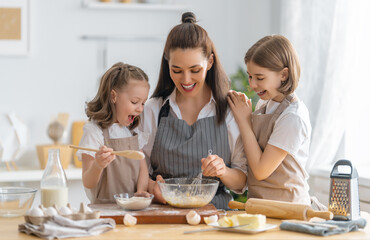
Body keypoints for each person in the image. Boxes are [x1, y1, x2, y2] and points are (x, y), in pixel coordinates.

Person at [139, 12, 247, 209]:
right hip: (162, 216)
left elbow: (241, 182)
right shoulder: (154, 110)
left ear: (210, 62)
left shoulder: (229, 111)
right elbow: (137, 168)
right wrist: (153, 186)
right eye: (177, 70)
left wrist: (223, 171)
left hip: (215, 218)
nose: (186, 80)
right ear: (167, 65)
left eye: (195, 70)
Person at [228, 35, 312, 205]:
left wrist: (244, 121)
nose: (252, 84)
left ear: (283, 74)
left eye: (260, 78)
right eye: (250, 76)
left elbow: (260, 170)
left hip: (289, 210)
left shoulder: (293, 117)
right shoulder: (264, 104)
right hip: (261, 207)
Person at [77, 62, 150, 204]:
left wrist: (141, 191)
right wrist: (98, 165)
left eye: (143, 103)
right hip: (105, 210)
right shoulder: (94, 132)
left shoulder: (131, 132)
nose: (140, 109)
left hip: (132, 208)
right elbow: (88, 182)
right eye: (135, 102)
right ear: (113, 96)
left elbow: (143, 169)